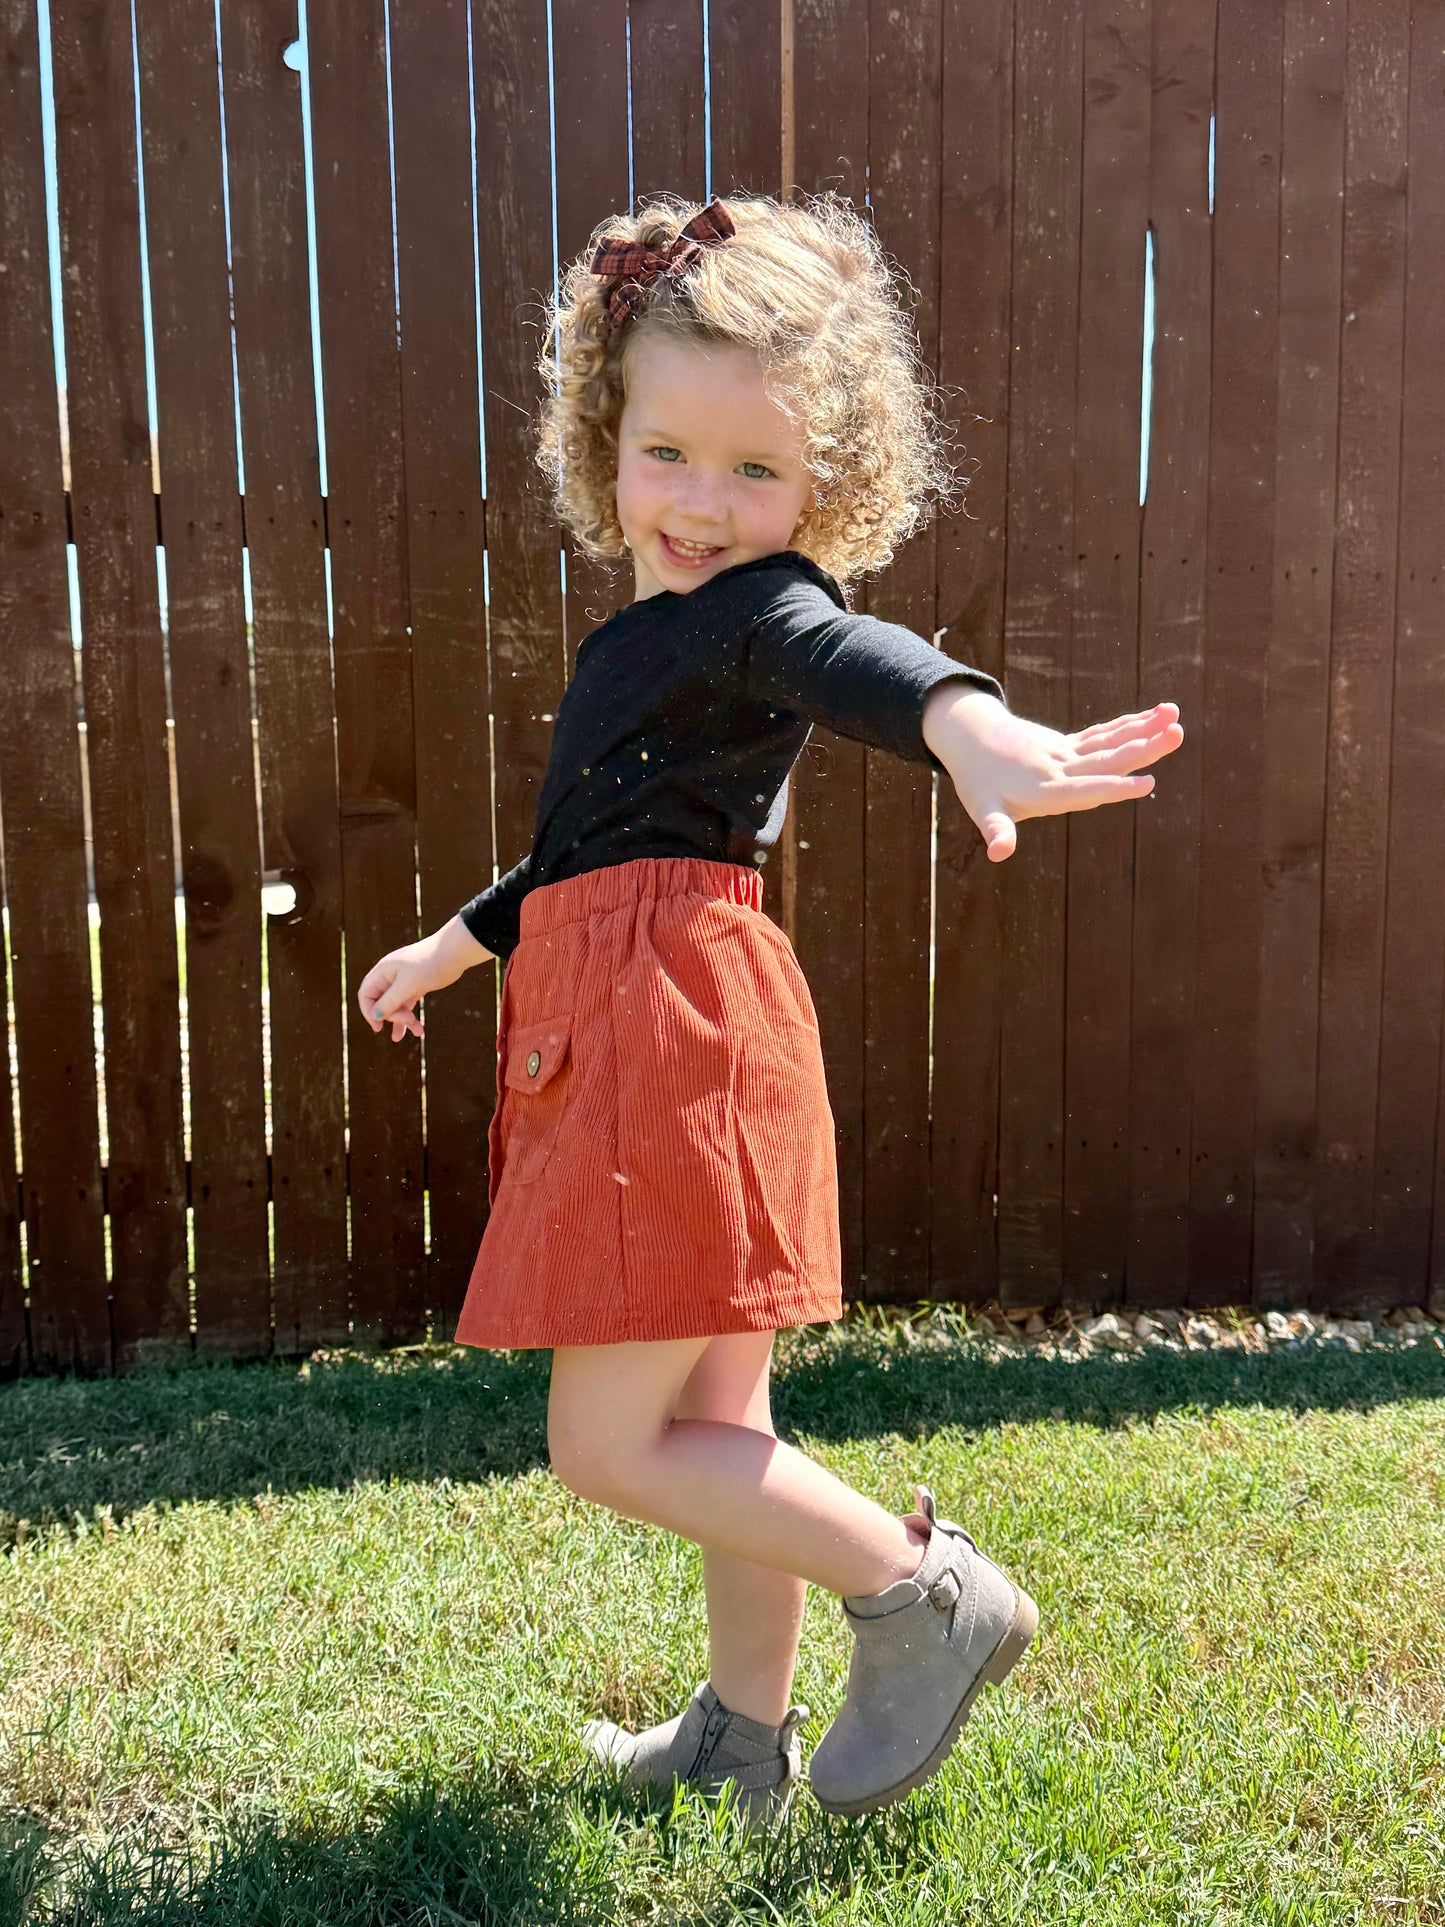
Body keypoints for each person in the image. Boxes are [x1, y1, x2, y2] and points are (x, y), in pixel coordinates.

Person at [357, 191, 1183, 1829]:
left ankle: (922, 1591)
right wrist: (457, 944)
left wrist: (965, 724)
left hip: (669, 1040)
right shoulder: (652, 638)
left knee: (607, 1442)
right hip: (664, 1007)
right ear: (605, 435)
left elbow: (851, 653)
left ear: (826, 487)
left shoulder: (754, 613)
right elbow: (589, 852)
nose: (703, 504)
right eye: (666, 453)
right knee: (722, 1417)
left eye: (757, 472)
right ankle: (743, 1737)